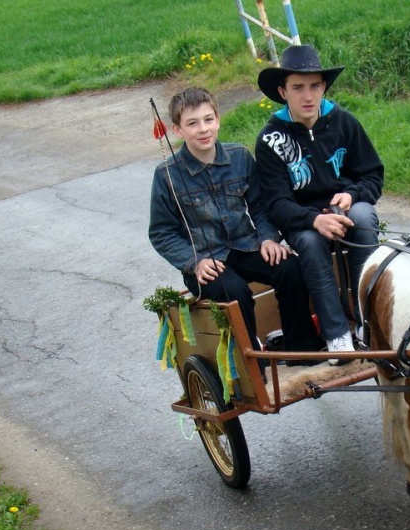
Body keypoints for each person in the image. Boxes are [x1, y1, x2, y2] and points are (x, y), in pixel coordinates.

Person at [149, 87, 324, 369]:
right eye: (192, 123)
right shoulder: (166, 175)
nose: (203, 129)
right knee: (235, 291)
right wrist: (194, 263)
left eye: (208, 120)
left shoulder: (240, 157)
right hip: (207, 261)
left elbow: (260, 206)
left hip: (245, 245)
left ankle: (301, 347)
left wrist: (268, 238)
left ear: (218, 119)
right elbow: (162, 232)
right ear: (178, 130)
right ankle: (250, 360)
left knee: (290, 268)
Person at [255, 45, 383, 364]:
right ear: (283, 91)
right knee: (311, 245)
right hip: (302, 221)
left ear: (323, 87)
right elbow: (277, 202)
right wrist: (314, 220)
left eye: (314, 86)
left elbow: (372, 174)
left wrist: (352, 194)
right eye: (298, 88)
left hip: (345, 208)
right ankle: (337, 334)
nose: (307, 96)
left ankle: (369, 321)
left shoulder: (344, 122)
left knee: (364, 217)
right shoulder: (271, 139)